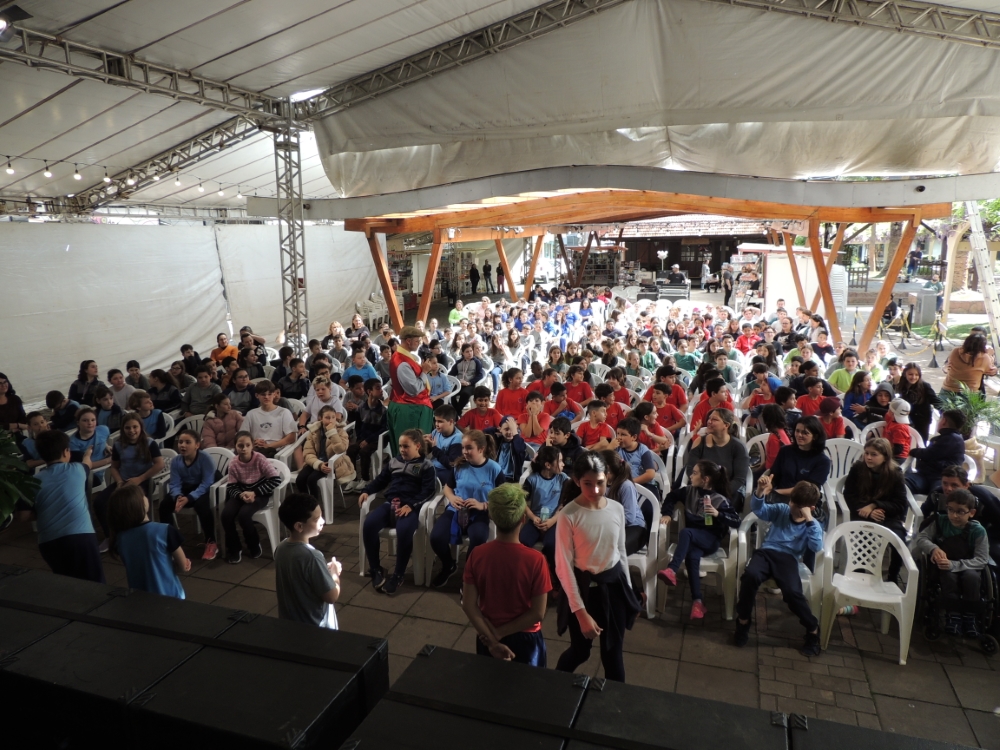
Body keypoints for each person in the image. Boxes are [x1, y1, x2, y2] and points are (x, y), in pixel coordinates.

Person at [554, 452, 641, 683]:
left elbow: (620, 553)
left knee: (613, 655)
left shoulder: (616, 509)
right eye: (587, 484)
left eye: (600, 483)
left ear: (608, 477)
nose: (595, 490)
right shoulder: (568, 515)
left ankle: (615, 702)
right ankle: (554, 685)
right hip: (584, 591)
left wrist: (629, 592)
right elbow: (563, 567)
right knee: (580, 651)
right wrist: (581, 613)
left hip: (614, 588)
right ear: (576, 481)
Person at [463, 483, 551, 666]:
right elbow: (537, 613)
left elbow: (469, 605)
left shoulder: (477, 555)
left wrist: (492, 640)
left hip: (486, 633)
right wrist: (499, 633)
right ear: (523, 519)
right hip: (526, 640)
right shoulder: (536, 560)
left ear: (491, 515)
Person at [735, 475, 823, 655]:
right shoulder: (783, 510)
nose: (792, 507)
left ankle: (812, 628)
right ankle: (743, 621)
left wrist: (808, 519)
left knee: (792, 592)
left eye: (798, 507)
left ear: (810, 508)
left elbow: (816, 546)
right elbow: (759, 510)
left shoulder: (812, 525)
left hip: (788, 558)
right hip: (767, 552)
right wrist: (760, 491)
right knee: (750, 576)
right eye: (792, 503)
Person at [657, 461, 740, 619]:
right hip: (694, 541)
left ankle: (672, 569)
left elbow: (736, 521)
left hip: (710, 540)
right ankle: (698, 601)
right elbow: (671, 496)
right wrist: (667, 513)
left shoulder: (719, 499)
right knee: (692, 557)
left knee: (686, 532)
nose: (690, 476)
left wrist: (718, 514)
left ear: (705, 479)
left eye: (695, 473)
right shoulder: (689, 491)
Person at [358, 429, 437, 595]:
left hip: (410, 507)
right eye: (400, 446)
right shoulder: (394, 462)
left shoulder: (426, 465)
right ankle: (376, 569)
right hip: (391, 504)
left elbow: (428, 491)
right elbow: (381, 480)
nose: (402, 449)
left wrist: (412, 505)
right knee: (369, 525)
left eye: (406, 446)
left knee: (404, 530)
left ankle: (398, 575)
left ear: (417, 446)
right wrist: (367, 490)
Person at [22, 430, 105, 582]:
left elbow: (24, 516)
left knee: (66, 584)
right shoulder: (78, 470)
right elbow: (87, 463)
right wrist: (88, 453)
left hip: (49, 542)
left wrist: (47, 509)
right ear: (66, 452)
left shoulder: (31, 482)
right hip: (81, 537)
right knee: (95, 584)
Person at [430, 430, 503, 588]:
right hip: (456, 510)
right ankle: (449, 565)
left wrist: (483, 505)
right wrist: (452, 498)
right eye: (463, 447)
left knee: (478, 538)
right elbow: (448, 488)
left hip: (479, 513)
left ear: (481, 449)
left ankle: (469, 576)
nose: (464, 451)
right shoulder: (459, 465)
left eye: (469, 448)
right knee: (436, 537)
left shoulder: (494, 469)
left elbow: (502, 498)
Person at [913, 489, 988, 637]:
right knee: (948, 577)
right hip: (944, 565)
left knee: (972, 578)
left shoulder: (978, 531)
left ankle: (970, 616)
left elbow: (981, 559)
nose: (954, 515)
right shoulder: (940, 521)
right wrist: (933, 549)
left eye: (960, 512)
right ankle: (953, 615)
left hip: (968, 565)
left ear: (971, 513)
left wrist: (954, 565)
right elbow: (921, 538)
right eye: (950, 510)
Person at [94, 412, 165, 548]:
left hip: (144, 482)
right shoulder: (118, 445)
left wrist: (140, 478)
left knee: (130, 504)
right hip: (123, 482)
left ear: (140, 427)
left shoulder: (150, 443)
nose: (131, 431)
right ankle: (111, 536)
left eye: (135, 427)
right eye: (127, 427)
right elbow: (114, 467)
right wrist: (119, 482)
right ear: (123, 429)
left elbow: (159, 464)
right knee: (99, 502)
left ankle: (136, 536)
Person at [843, 437, 908, 582]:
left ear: (885, 457)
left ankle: (893, 576)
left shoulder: (895, 473)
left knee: (899, 539)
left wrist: (875, 505)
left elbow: (900, 504)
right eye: (866, 453)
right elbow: (849, 495)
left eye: (874, 454)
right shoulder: (857, 469)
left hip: (887, 515)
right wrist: (868, 511)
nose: (868, 457)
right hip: (862, 512)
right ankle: (858, 573)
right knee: (862, 535)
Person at [108, 484, 189, 599]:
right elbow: (183, 566)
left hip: (140, 599)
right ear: (140, 504)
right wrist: (185, 563)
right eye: (143, 495)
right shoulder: (164, 530)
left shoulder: (120, 538)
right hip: (170, 596)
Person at [275, 493, 342, 630]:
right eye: (317, 519)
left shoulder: (280, 548)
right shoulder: (312, 557)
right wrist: (334, 574)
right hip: (316, 627)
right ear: (299, 526)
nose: (322, 521)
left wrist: (322, 571)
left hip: (289, 624)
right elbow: (331, 596)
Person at [222, 431, 282, 564]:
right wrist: (241, 495)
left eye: (247, 445)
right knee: (226, 515)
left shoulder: (259, 459)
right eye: (240, 445)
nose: (244, 449)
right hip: (242, 493)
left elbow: (275, 480)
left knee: (244, 515)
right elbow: (231, 486)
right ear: (235, 446)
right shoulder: (233, 462)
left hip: (260, 494)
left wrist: (254, 493)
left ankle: (253, 544)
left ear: (252, 446)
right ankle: (234, 548)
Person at [686, 408, 750, 510]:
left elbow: (739, 479)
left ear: (726, 425)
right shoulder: (699, 442)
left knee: (722, 508)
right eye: (709, 418)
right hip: (701, 488)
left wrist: (717, 493)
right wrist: (704, 488)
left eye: (714, 419)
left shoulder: (738, 447)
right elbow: (690, 469)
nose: (709, 421)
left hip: (728, 491)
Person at [385, 326, 435, 449]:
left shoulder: (403, 357)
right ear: (408, 341)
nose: (419, 343)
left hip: (409, 405)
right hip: (409, 408)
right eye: (417, 341)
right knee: (412, 446)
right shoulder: (402, 362)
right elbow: (414, 390)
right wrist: (424, 372)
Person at [519, 446, 567, 570]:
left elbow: (564, 504)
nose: (563, 464)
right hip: (535, 520)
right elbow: (522, 501)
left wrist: (552, 520)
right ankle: (526, 571)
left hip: (554, 521)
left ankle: (553, 573)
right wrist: (533, 517)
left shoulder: (563, 479)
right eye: (559, 461)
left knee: (552, 545)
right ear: (548, 465)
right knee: (522, 542)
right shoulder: (532, 480)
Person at [296, 406, 353, 499]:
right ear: (320, 418)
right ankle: (306, 503)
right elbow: (308, 452)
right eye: (327, 417)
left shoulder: (340, 431)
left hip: (333, 463)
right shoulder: (314, 431)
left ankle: (315, 505)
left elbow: (341, 449)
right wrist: (318, 464)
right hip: (316, 461)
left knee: (311, 479)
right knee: (300, 479)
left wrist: (332, 432)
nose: (331, 420)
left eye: (333, 417)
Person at [904, 409, 966, 495]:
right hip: (924, 476)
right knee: (902, 484)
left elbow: (928, 454)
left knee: (938, 495)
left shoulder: (952, 439)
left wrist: (913, 451)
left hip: (941, 478)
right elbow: (931, 455)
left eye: (940, 419)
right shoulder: (944, 438)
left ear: (944, 421)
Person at [345, 378, 388, 491]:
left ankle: (365, 479)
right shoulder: (361, 408)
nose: (381, 391)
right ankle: (354, 479)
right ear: (369, 391)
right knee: (351, 450)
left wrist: (368, 440)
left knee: (364, 451)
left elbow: (383, 429)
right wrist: (360, 439)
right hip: (364, 438)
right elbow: (358, 426)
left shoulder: (383, 410)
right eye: (378, 388)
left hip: (378, 439)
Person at [243, 380, 297, 458]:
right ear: (257, 395)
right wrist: (253, 442)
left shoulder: (284, 412)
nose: (266, 397)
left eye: (269, 394)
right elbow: (243, 435)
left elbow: (291, 437)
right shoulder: (251, 414)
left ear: (274, 394)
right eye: (263, 394)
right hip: (255, 449)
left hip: (277, 450)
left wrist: (269, 446)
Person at [898, 363, 940, 442]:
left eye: (916, 375)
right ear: (905, 373)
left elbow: (936, 401)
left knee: (921, 442)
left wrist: (945, 412)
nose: (913, 377)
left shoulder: (925, 386)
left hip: (922, 421)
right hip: (907, 419)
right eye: (910, 374)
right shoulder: (902, 385)